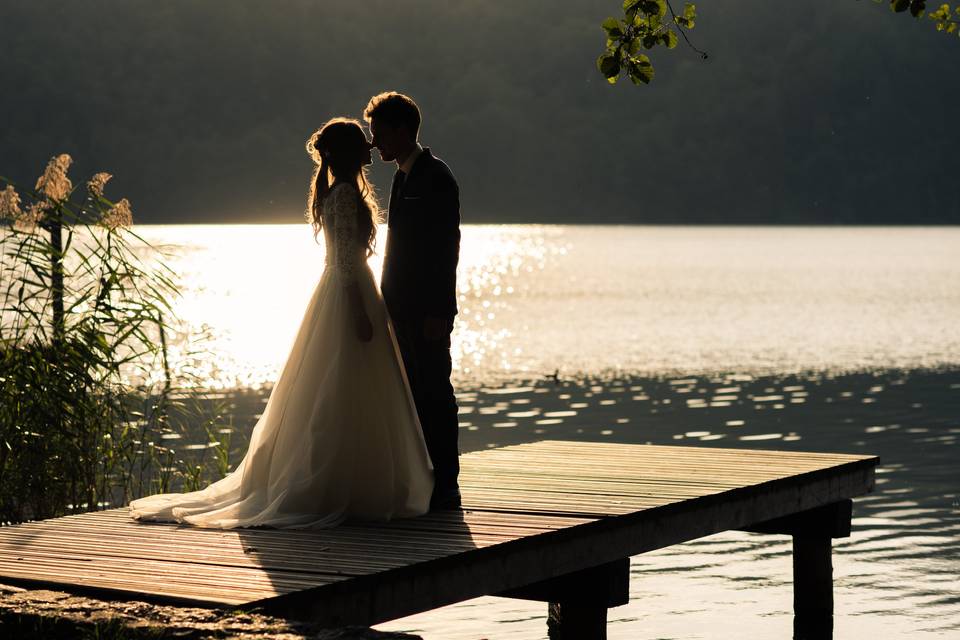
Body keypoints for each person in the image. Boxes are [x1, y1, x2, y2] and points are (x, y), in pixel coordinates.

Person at [128, 118, 434, 528]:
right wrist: (360, 313)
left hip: (353, 292)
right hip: (350, 296)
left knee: (350, 389)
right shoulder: (343, 195)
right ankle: (337, 485)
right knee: (342, 386)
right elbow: (345, 263)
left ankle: (358, 482)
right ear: (347, 152)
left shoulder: (343, 191)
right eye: (362, 141)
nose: (370, 144)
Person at [364, 92, 462, 509]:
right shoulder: (403, 176)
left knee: (435, 393)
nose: (374, 143)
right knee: (413, 395)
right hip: (400, 309)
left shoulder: (437, 177)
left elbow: (446, 249)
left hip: (428, 313)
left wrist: (440, 311)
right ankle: (423, 481)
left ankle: (447, 485)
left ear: (402, 130)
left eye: (379, 133)